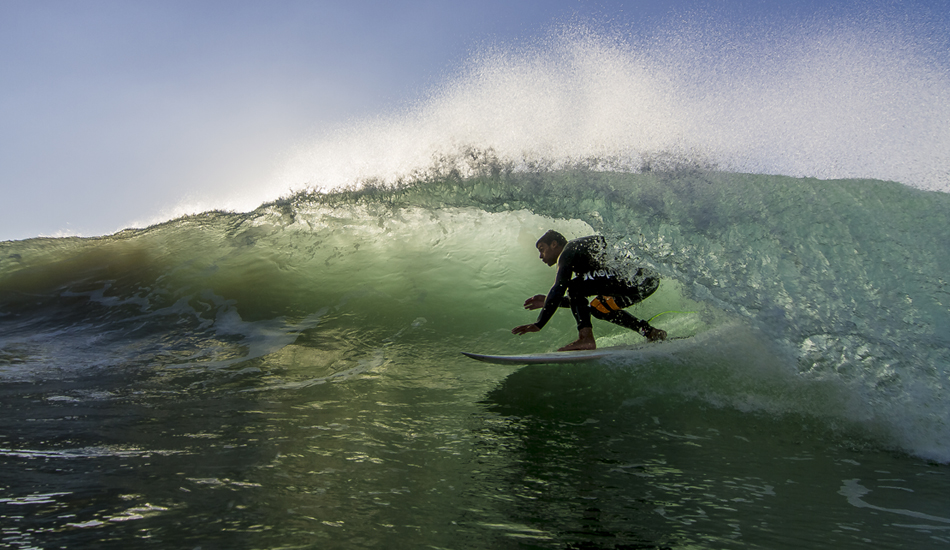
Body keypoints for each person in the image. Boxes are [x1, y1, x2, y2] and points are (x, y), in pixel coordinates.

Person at [511, 230, 667, 351]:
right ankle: (650, 332)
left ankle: (586, 338)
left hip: (639, 276)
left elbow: (560, 286)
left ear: (554, 244)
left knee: (574, 286)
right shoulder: (582, 261)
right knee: (598, 309)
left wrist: (539, 323)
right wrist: (549, 301)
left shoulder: (567, 252)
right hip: (646, 281)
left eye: (542, 249)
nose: (540, 256)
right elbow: (579, 300)